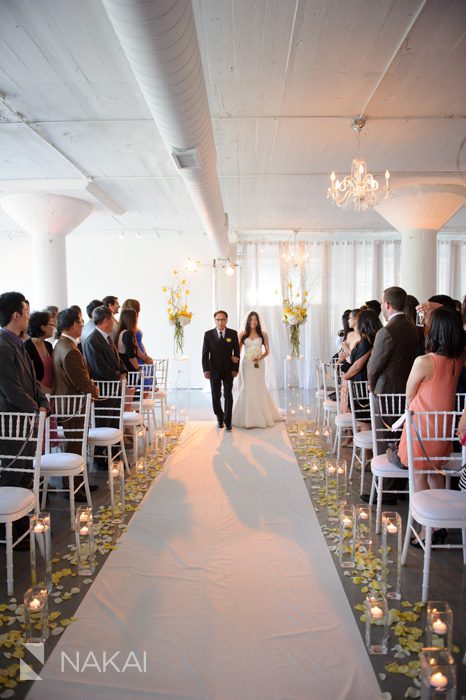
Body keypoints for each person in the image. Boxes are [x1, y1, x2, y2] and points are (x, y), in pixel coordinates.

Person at [397, 307, 465, 545]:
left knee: (418, 475)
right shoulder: (459, 358)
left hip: (421, 427)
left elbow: (409, 394)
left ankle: (428, 527)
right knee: (435, 472)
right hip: (443, 429)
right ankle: (440, 524)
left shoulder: (424, 361)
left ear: (433, 331)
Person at [361, 286, 420, 504]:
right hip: (407, 391)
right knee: (400, 438)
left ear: (387, 305)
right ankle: (399, 488)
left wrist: (370, 384)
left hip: (386, 392)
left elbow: (374, 366)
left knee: (385, 439)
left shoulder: (387, 331)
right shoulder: (413, 328)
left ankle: (385, 492)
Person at [0, 292, 50, 546]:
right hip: (13, 422)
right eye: (26, 312)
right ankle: (10, 534)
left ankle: (21, 529)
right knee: (12, 474)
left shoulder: (19, 342)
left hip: (28, 419)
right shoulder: (2, 345)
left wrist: (43, 402)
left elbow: (32, 382)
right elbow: (11, 389)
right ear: (15, 315)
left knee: (24, 475)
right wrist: (36, 409)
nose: (29, 317)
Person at [53, 307, 99, 499]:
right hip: (73, 405)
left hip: (68, 403)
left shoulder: (61, 344)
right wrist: (94, 390)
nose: (82, 325)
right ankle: (73, 487)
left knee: (76, 444)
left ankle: (78, 483)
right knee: (75, 446)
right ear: (73, 325)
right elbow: (80, 380)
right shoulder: (70, 350)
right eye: (80, 322)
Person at [232, 311, 281, 428]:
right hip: (247, 364)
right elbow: (238, 352)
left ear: (258, 321)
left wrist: (260, 357)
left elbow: (268, 351)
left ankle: (261, 416)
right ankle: (247, 417)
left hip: (259, 365)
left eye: (255, 320)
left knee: (259, 386)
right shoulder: (242, 334)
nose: (253, 322)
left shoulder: (263, 334)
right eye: (251, 319)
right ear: (248, 321)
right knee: (247, 387)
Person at [342, 309, 382, 425]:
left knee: (364, 423)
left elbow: (357, 365)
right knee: (362, 421)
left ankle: (360, 443)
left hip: (361, 383)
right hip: (360, 382)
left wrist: (345, 377)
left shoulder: (366, 341)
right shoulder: (367, 340)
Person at [202, 310, 240, 431]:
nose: (220, 322)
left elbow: (237, 353)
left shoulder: (233, 334)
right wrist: (205, 370)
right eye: (218, 319)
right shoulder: (208, 334)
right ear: (214, 321)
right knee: (215, 395)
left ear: (226, 320)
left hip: (229, 370)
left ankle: (228, 420)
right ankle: (219, 417)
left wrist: (235, 368)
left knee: (228, 395)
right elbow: (205, 354)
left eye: (223, 319)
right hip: (213, 370)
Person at [83, 306, 126, 381]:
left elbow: (116, 358)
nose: (114, 322)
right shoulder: (91, 341)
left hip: (114, 383)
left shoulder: (107, 337)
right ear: (106, 320)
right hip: (104, 386)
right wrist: (118, 375)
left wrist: (123, 371)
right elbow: (99, 368)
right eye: (112, 319)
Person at [24, 311, 55, 394]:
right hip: (37, 394)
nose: (54, 327)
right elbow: (27, 376)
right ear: (43, 327)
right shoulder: (27, 347)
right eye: (51, 324)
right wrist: (46, 391)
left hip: (52, 394)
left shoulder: (48, 345)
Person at [121, 298, 152, 365]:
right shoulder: (129, 328)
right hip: (138, 357)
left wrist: (146, 355)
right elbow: (135, 346)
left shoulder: (133, 325)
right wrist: (145, 358)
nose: (137, 314)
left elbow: (140, 342)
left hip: (142, 355)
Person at [117, 308, 141, 373]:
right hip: (128, 369)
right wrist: (139, 369)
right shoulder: (128, 334)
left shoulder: (122, 332)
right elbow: (131, 356)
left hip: (125, 367)